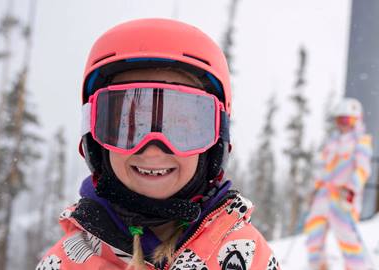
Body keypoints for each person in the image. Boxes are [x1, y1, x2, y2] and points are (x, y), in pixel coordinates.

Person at [36, 18, 279, 270]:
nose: (153, 149)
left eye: (181, 126)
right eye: (129, 126)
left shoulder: (247, 257)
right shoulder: (67, 263)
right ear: (97, 141)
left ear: (214, 142)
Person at [304, 97, 373, 270]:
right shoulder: (332, 141)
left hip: (343, 196)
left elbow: (362, 169)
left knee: (346, 237)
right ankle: (318, 266)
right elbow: (323, 167)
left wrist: (351, 189)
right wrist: (316, 188)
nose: (342, 124)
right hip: (324, 194)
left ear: (356, 120)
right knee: (313, 233)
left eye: (346, 119)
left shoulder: (361, 141)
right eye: (339, 120)